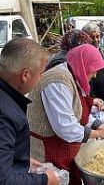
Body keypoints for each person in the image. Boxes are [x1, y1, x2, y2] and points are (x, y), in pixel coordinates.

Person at [27, 44, 104, 185]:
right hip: (47, 150)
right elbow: (66, 127)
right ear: (83, 65)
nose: (95, 75)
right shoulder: (57, 82)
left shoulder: (73, 76)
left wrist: (101, 126)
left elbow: (78, 112)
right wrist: (99, 134)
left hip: (65, 147)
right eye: (93, 70)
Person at [0, 38, 59, 185]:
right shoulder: (5, 114)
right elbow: (3, 180)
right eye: (40, 74)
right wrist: (45, 180)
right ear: (25, 75)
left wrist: (20, 159)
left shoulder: (7, 96)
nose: (40, 78)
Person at [82, 22, 104, 107]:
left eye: (97, 36)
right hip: (92, 102)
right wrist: (91, 100)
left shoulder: (101, 51)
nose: (96, 40)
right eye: (92, 37)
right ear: (85, 38)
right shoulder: (83, 55)